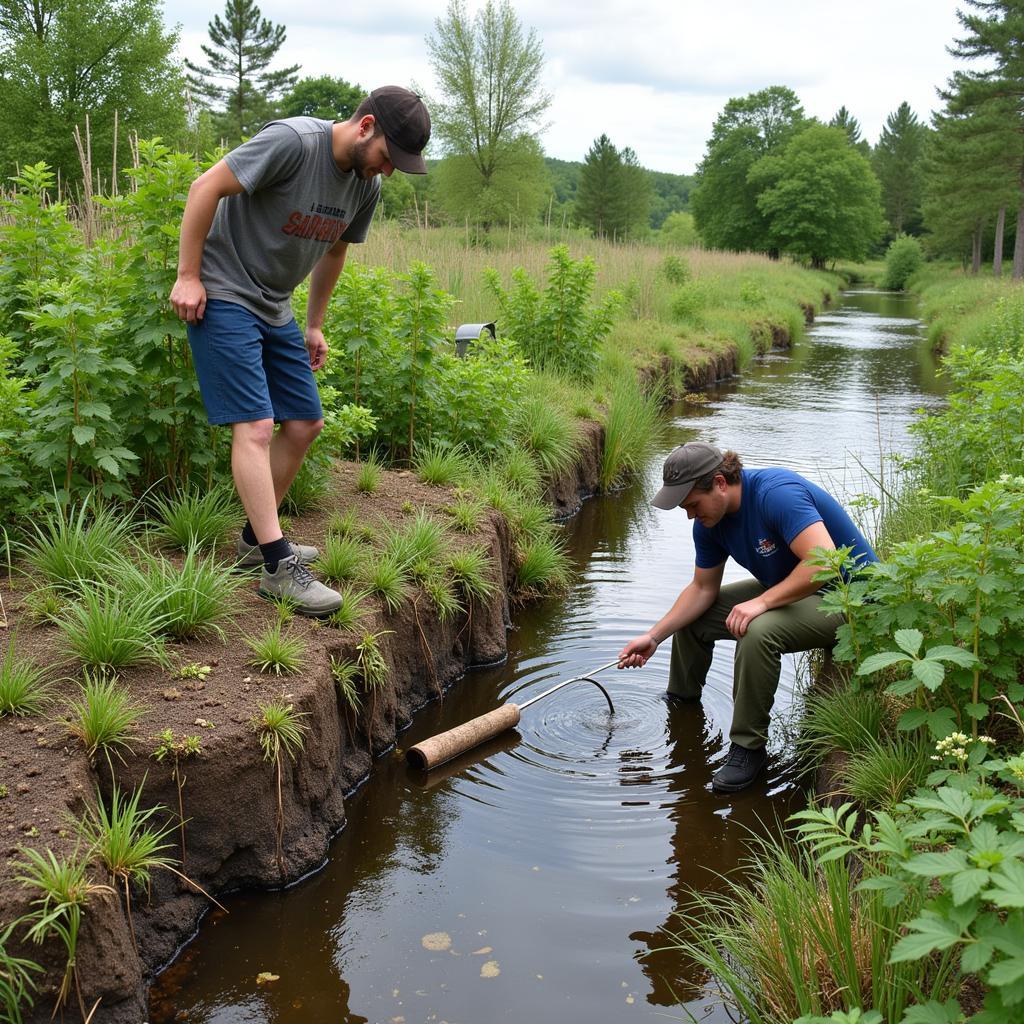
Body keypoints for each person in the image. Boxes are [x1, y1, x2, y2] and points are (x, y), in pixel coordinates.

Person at [170, 86, 430, 616]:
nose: (388, 171)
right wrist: (189, 275)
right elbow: (205, 188)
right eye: (387, 157)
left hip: (275, 306)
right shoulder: (292, 143)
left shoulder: (365, 187)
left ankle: (252, 542)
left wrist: (313, 324)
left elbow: (334, 250)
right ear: (366, 126)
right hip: (222, 291)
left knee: (306, 421)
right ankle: (278, 567)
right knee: (257, 425)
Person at [618, 441, 877, 793]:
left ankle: (748, 750)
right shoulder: (710, 523)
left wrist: (763, 602)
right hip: (797, 589)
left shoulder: (776, 494)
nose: (690, 515)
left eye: (692, 504)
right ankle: (682, 701)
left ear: (721, 483)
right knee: (695, 618)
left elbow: (823, 562)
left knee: (758, 630)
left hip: (851, 599)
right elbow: (702, 589)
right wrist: (654, 636)